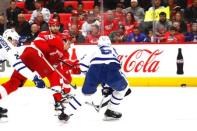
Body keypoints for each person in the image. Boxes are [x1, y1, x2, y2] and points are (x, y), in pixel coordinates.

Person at [80, 36, 129, 120]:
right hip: (111, 72)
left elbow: (82, 65)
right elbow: (117, 67)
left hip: (95, 73)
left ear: (98, 44)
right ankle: (111, 110)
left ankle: (68, 110)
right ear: (110, 43)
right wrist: (108, 86)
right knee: (124, 87)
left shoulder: (93, 50)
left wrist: (89, 76)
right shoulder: (113, 50)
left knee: (85, 93)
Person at [0, 29, 45, 120]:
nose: (16, 43)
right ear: (9, 38)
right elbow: (19, 66)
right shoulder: (8, 48)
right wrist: (34, 79)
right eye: (15, 41)